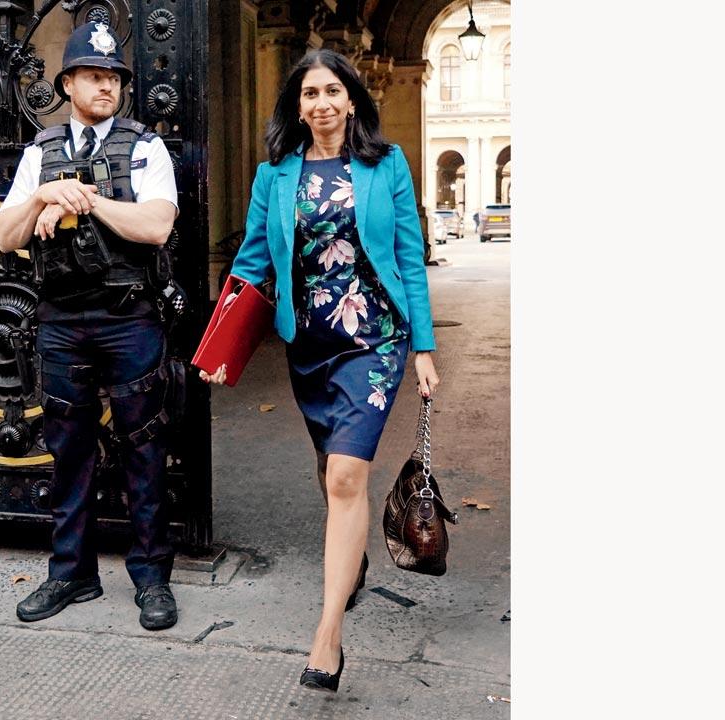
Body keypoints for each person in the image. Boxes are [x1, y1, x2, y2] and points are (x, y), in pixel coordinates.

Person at [200, 49, 440, 690]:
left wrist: (424, 347)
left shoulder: (386, 165)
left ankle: (327, 636)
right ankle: (350, 559)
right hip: (307, 343)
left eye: (333, 91)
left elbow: (409, 257)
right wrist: (218, 347)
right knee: (330, 469)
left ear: (353, 100)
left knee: (343, 476)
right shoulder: (274, 175)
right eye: (310, 94)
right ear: (297, 106)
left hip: (375, 339)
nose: (322, 104)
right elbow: (251, 264)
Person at [0, 21, 181, 631]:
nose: (106, 86)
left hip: (129, 318)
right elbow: (5, 235)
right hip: (61, 318)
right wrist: (47, 195)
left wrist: (87, 198)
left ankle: (151, 576)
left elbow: (155, 226)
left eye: (114, 77)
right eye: (94, 76)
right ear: (68, 82)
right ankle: (70, 573)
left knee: (143, 446)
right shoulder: (38, 155)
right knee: (68, 448)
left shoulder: (147, 147)